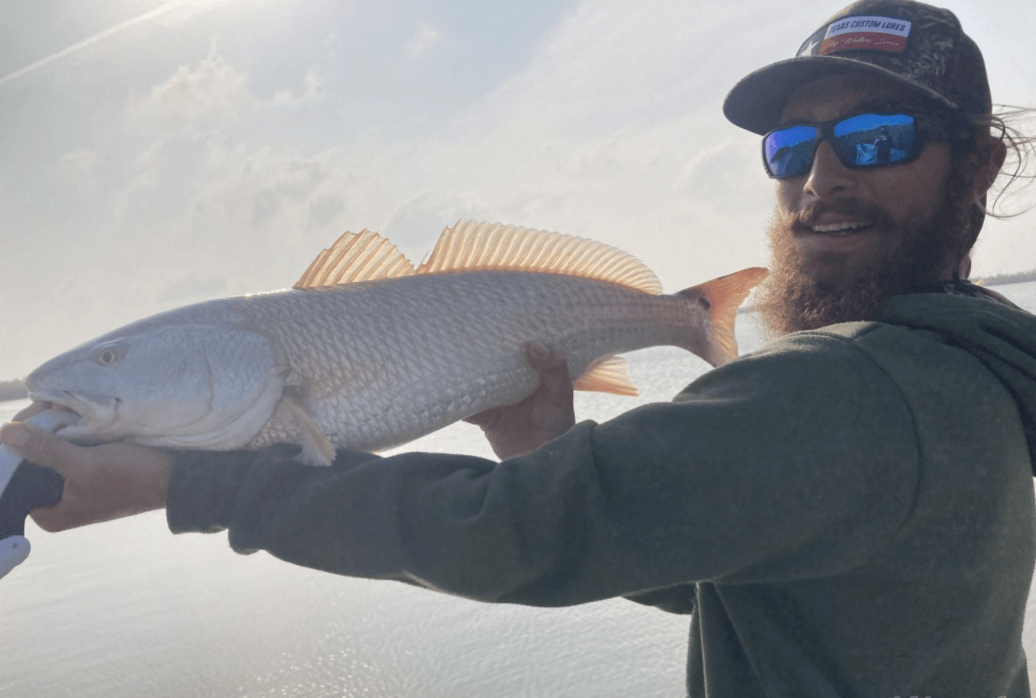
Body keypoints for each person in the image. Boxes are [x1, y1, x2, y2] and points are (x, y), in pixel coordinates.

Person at [3, 0, 1036, 695]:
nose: (819, 182)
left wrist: (193, 488)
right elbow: (717, 564)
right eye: (791, 147)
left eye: (875, 141)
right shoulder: (964, 375)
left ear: (976, 165)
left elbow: (508, 533)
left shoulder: (854, 389)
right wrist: (549, 444)